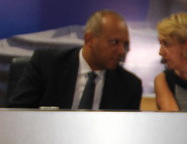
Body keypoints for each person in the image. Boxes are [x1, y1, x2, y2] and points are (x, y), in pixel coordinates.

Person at [8, 9, 142, 110]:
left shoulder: (129, 86)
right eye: (114, 42)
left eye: (125, 45)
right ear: (89, 39)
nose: (121, 51)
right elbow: (17, 114)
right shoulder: (46, 65)